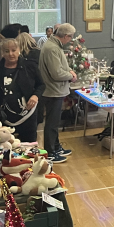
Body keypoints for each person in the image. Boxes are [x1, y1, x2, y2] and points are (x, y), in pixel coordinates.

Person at [0, 38, 44, 143]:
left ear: (19, 50)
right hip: (3, 117)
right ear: (2, 53)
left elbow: (41, 85)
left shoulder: (30, 66)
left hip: (27, 116)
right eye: (7, 51)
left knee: (29, 146)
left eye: (13, 50)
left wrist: (35, 96)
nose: (11, 54)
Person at [40, 23, 77, 164]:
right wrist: (70, 75)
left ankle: (55, 147)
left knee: (54, 122)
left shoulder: (54, 45)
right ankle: (50, 152)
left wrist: (69, 72)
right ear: (66, 36)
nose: (71, 40)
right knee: (52, 123)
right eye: (70, 37)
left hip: (56, 89)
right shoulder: (52, 48)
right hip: (53, 90)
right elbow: (56, 73)